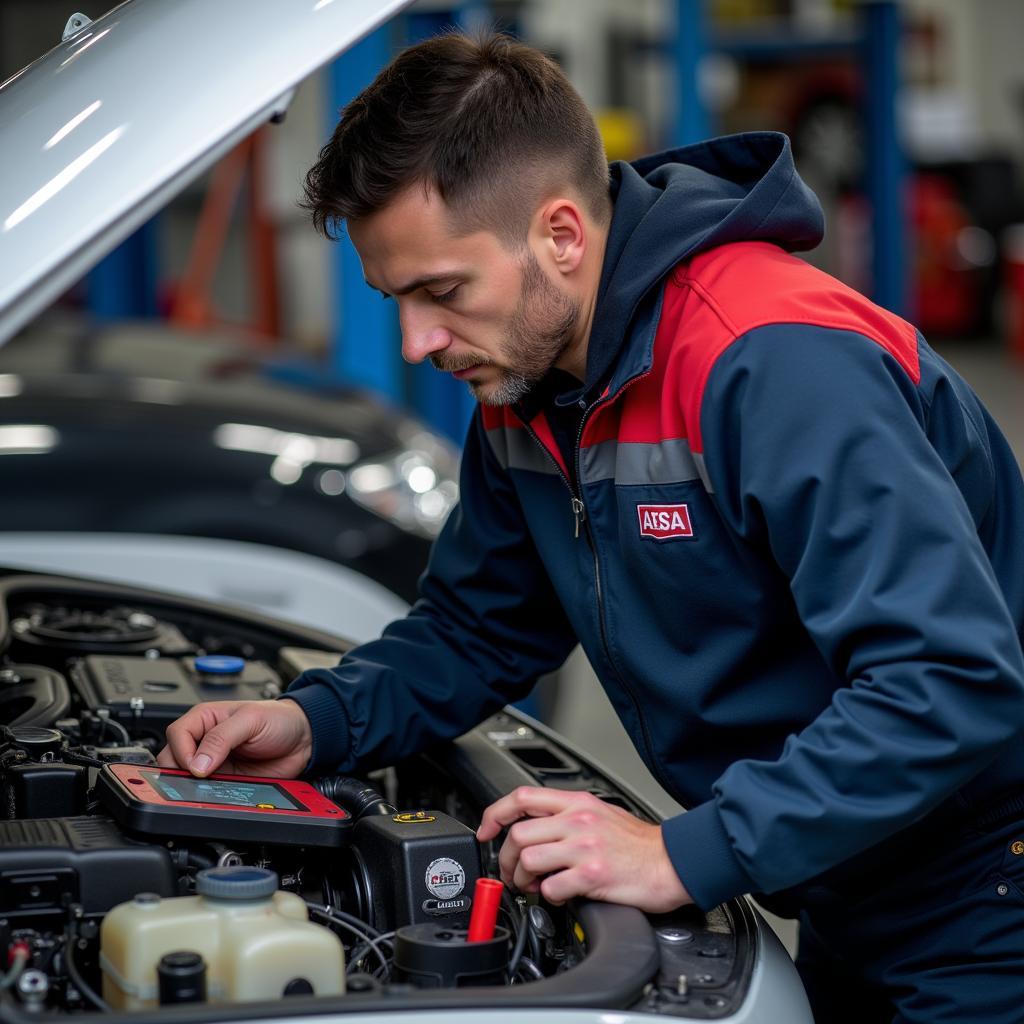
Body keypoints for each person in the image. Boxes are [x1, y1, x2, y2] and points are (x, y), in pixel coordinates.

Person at [158, 32, 1024, 1022]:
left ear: (562, 235)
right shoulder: (532, 383)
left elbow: (945, 681)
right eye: (396, 299)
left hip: (984, 888)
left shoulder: (772, 363)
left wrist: (679, 850)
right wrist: (320, 720)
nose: (418, 341)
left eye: (442, 291)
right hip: (844, 866)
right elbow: (477, 626)